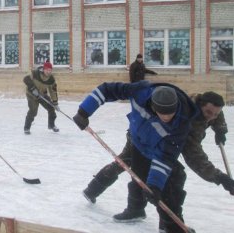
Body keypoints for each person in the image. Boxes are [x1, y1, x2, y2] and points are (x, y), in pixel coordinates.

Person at [81, 91, 234, 232]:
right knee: (139, 169)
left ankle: (131, 207)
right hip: (142, 137)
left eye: (215, 114)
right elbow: (194, 157)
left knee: (141, 171)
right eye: (208, 113)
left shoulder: (201, 103)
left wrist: (220, 129)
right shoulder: (186, 121)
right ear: (199, 105)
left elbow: (215, 113)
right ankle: (146, 214)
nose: (211, 117)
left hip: (159, 140)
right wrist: (220, 178)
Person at [73, 81, 198, 233]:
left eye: (170, 113)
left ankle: (171, 227)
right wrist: (83, 111)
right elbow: (106, 90)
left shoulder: (181, 123)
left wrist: (155, 185)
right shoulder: (140, 92)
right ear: (153, 106)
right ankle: (136, 210)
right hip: (137, 142)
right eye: (162, 113)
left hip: (155, 149)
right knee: (138, 179)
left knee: (166, 187)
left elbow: (165, 156)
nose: (167, 117)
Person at [23, 60, 59, 135]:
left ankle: (51, 125)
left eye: (50, 70)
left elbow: (53, 91)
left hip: (42, 95)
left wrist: (55, 103)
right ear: (44, 69)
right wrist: (33, 89)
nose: (49, 72)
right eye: (47, 70)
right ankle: (27, 128)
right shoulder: (35, 73)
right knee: (33, 111)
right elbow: (25, 79)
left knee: (51, 107)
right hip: (31, 95)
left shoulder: (51, 79)